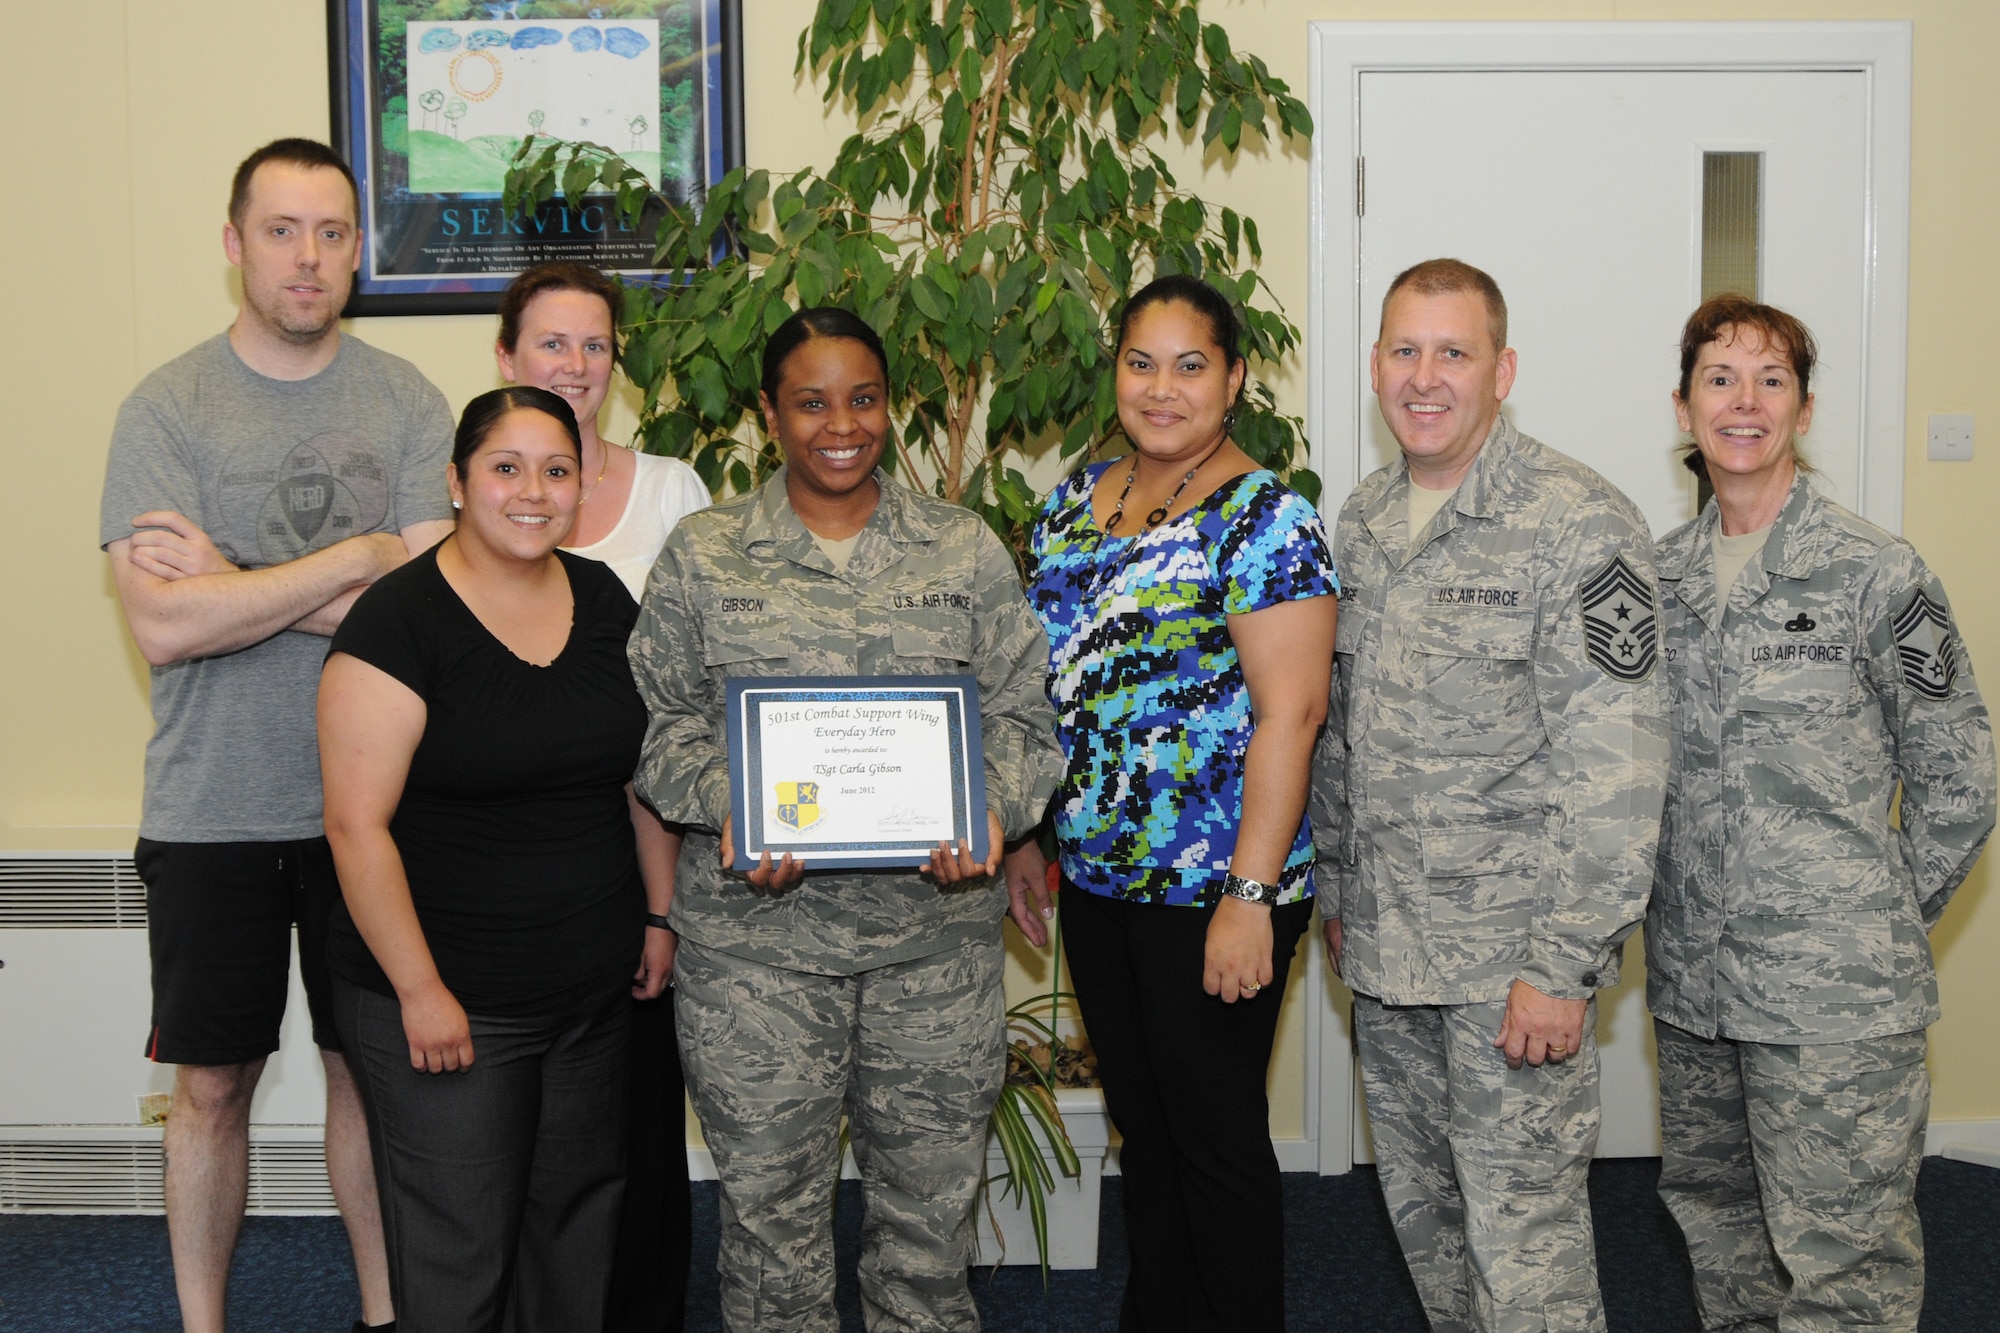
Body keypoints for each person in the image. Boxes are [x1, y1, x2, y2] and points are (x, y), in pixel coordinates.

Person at [628, 307, 1063, 1332]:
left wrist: (989, 811)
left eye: (863, 398)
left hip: (933, 951)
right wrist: (742, 809)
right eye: (811, 400)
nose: (841, 423)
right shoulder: (703, 555)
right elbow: (660, 732)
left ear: (889, 407)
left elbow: (1022, 717)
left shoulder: (956, 547)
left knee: (928, 1225)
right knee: (771, 1232)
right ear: (770, 414)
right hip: (757, 959)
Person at [98, 137, 456, 1333]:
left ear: (359, 246)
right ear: (233, 243)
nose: (310, 259)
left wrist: (238, 578)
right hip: (213, 811)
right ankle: (202, 1323)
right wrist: (355, 558)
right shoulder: (166, 408)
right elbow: (162, 627)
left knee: (372, 1074)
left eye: (333, 233)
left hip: (377, 814)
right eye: (282, 231)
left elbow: (419, 625)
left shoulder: (406, 399)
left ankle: (382, 1313)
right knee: (210, 1086)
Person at [1311, 258, 1668, 1333]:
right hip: (1384, 950)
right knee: (1428, 1229)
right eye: (1404, 350)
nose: (1424, 377)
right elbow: (1342, 729)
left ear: (1500, 369)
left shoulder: (1579, 522)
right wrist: (1335, 888)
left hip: (1508, 964)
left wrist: (1562, 965)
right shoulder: (1363, 519)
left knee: (1527, 1263)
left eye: (1452, 353)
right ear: (1375, 365)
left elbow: (1618, 766)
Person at [1647, 296, 1996, 1332]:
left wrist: (1868, 912)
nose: (1742, 401)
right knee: (1721, 1233)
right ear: (1681, 404)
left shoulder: (1873, 573)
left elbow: (1960, 776)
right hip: (1693, 987)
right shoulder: (1654, 585)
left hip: (1833, 998)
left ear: (1801, 409)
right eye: (1718, 377)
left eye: (1769, 380)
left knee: (1841, 1262)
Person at [318, 385, 677, 1332]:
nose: (534, 491)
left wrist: (658, 912)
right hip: (450, 1004)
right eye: (505, 468)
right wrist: (419, 989)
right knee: (459, 1254)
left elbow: (634, 776)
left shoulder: (603, 599)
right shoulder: (397, 622)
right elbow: (356, 826)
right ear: (457, 481)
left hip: (590, 996)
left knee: (574, 1233)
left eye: (557, 470)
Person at [1019, 273, 1338, 1331]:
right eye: (1140, 362)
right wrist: (1033, 839)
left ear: (1234, 378)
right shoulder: (1072, 504)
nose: (1161, 388)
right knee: (1143, 1136)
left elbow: (1290, 715)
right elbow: (1049, 693)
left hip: (1215, 887)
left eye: (1190, 364)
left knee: (1213, 1144)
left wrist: (1250, 894)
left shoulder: (1265, 519)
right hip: (1099, 877)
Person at [493, 259, 709, 1333]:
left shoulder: (673, 491)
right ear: (505, 357)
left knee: (632, 1119)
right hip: (511, 858)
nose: (574, 366)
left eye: (594, 345)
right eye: (551, 344)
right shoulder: (476, 486)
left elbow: (713, 676)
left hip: (647, 848)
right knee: (508, 1128)